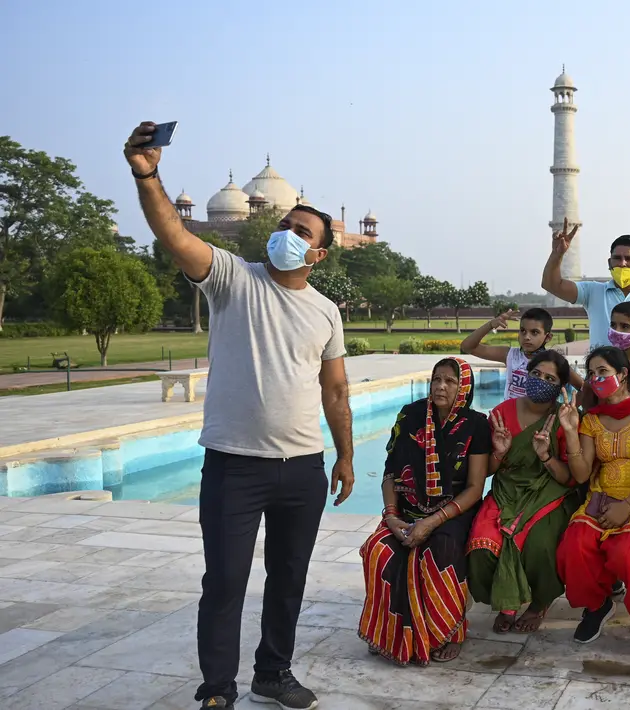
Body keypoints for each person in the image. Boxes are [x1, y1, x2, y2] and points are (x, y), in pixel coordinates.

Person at [124, 122, 353, 710]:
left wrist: (347, 456)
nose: (286, 234)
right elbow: (174, 234)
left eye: (300, 231)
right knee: (224, 583)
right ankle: (217, 689)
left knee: (288, 584)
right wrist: (148, 174)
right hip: (235, 465)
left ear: (319, 252)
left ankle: (273, 673)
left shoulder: (326, 311)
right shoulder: (233, 280)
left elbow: (336, 391)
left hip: (301, 467)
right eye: (284, 224)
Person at [359, 358, 491, 667]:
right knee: (379, 551)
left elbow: (475, 487)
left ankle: (448, 632)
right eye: (437, 379)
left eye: (450, 381)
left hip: (453, 512)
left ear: (464, 387)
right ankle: (388, 631)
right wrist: (392, 518)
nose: (441, 386)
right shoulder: (410, 415)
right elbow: (390, 472)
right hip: (405, 509)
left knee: (438, 551)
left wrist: (432, 521)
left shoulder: (477, 424)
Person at [556, 346, 630, 647]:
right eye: (591, 373)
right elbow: (581, 474)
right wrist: (570, 431)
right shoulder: (592, 419)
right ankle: (598, 605)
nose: (595, 378)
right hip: (603, 495)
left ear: (622, 374)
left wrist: (629, 505)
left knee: (629, 552)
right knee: (575, 546)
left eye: (602, 372)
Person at [467, 350, 578, 633]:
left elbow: (570, 478)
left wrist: (545, 456)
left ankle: (539, 603)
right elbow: (489, 470)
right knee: (481, 545)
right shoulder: (502, 413)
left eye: (549, 378)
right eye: (536, 374)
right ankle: (506, 602)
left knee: (538, 544)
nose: (540, 380)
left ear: (560, 386)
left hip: (548, 492)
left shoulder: (563, 419)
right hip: (505, 491)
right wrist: (500, 452)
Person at [541, 220, 630, 349]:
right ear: (609, 263)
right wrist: (557, 254)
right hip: (601, 367)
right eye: (617, 258)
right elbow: (551, 284)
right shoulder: (594, 291)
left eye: (629, 259)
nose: (622, 263)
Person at [460, 307, 583, 399]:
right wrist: (491, 324)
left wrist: (573, 411)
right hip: (509, 423)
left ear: (548, 337)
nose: (527, 337)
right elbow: (467, 347)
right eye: (523, 331)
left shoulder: (555, 363)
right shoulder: (510, 355)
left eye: (534, 332)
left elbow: (584, 388)